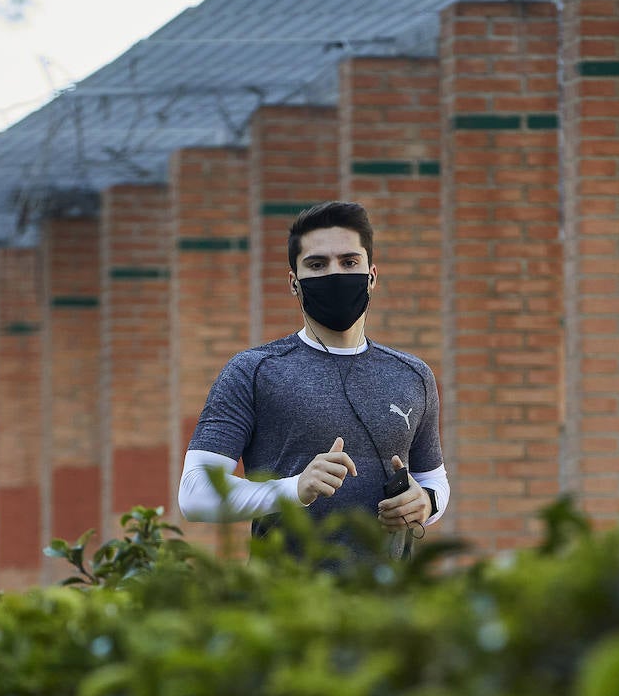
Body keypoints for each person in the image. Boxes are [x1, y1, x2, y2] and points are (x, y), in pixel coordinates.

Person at [177, 200, 449, 559]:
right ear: (294, 283)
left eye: (349, 262)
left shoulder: (412, 373)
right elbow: (195, 494)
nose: (335, 274)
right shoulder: (253, 371)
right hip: (288, 602)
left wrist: (426, 503)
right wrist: (293, 490)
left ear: (372, 277)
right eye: (317, 265)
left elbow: (435, 480)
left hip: (391, 603)